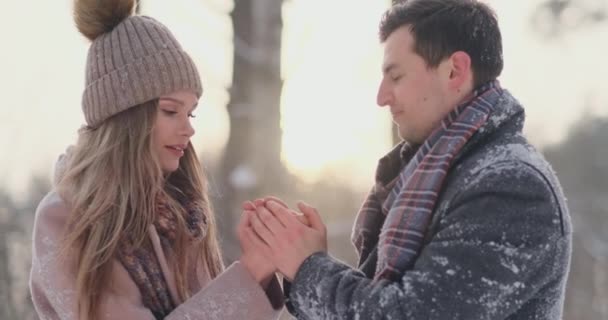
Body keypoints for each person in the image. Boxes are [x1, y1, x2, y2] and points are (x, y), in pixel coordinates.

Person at [242, 0, 572, 319]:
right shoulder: (431, 177)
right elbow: (392, 299)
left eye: (396, 77)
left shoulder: (511, 186)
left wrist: (308, 267)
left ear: (455, 71)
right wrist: (302, 261)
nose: (381, 97)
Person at [28, 0, 283, 319]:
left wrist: (262, 266)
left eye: (191, 112)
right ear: (124, 118)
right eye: (171, 110)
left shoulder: (183, 216)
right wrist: (248, 274)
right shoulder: (67, 220)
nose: (189, 128)